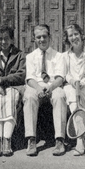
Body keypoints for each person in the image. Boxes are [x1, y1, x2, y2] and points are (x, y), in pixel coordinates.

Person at [23, 24, 67, 156]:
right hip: (35, 86)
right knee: (29, 97)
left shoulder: (59, 56)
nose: (42, 39)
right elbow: (30, 78)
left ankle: (59, 140)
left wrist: (50, 87)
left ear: (50, 37)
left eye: (44, 36)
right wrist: (38, 88)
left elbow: (60, 78)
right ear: (34, 39)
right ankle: (31, 139)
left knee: (59, 96)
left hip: (54, 86)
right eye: (38, 37)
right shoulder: (30, 57)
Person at [0, 24, 26, 157]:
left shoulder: (19, 55)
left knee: (10, 100)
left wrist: (3, 80)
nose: (3, 42)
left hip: (14, 87)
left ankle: (7, 140)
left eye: (6, 39)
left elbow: (21, 74)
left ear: (12, 40)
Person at [61, 24, 85, 156]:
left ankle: (82, 131)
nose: (74, 37)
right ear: (67, 39)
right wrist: (73, 82)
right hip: (72, 87)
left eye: (76, 34)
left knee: (80, 96)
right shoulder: (65, 56)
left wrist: (81, 84)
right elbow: (66, 75)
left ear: (81, 35)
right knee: (71, 93)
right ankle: (80, 139)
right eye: (70, 35)